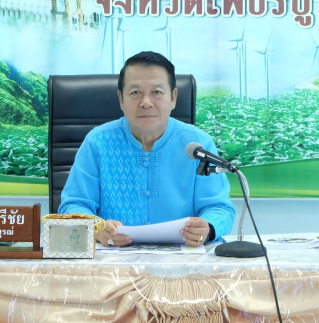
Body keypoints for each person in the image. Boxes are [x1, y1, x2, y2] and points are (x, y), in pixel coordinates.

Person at [59, 51, 235, 247]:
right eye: (135, 93)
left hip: (183, 256)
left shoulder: (198, 145)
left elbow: (219, 208)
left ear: (173, 98)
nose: (146, 102)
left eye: (157, 92)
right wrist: (96, 229)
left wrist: (208, 228)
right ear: (121, 99)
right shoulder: (97, 142)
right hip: (114, 256)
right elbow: (73, 206)